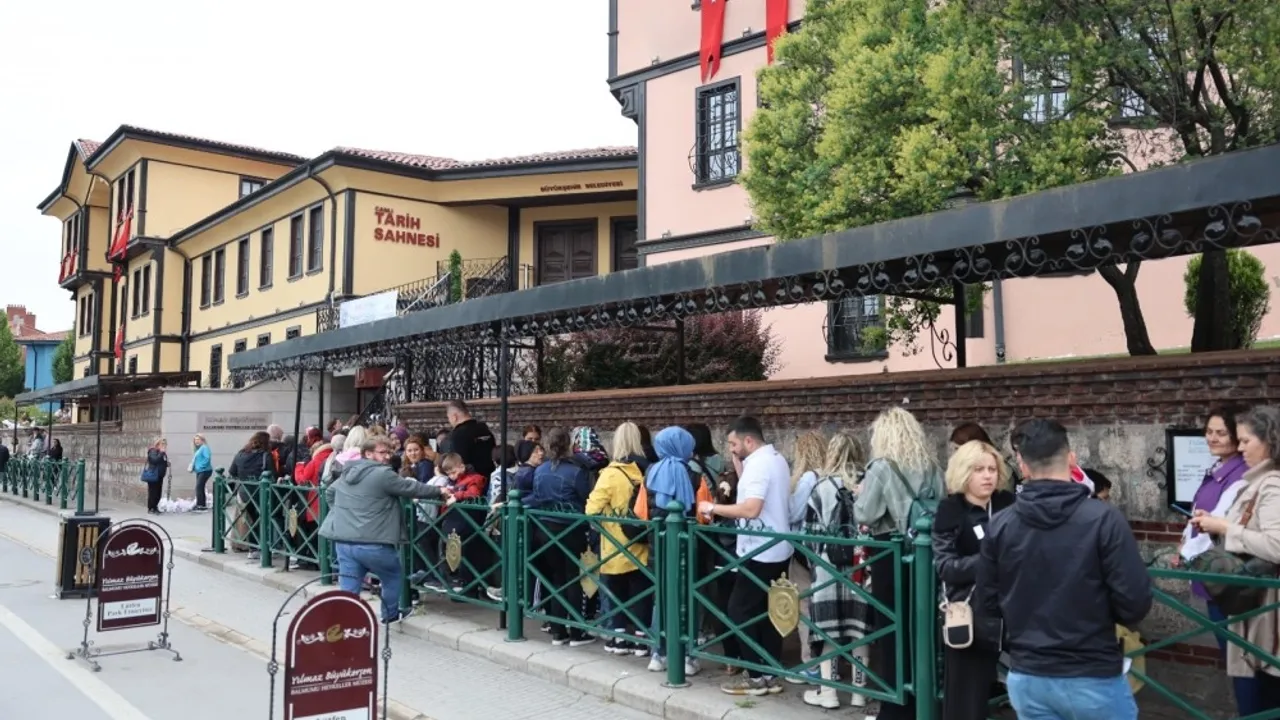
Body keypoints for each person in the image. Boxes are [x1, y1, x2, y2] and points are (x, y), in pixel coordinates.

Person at [978, 419, 1152, 720]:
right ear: (1071, 459)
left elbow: (987, 603)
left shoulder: (1001, 525)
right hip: (1092, 670)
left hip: (1029, 673)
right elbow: (1134, 602)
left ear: (1023, 466)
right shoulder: (1104, 520)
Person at [1190, 406, 1280, 711]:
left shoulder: (1273, 484)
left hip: (1265, 609)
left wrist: (1225, 528)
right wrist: (1218, 525)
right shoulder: (1259, 481)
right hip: (1257, 606)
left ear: (1269, 440)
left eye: (1245, 441)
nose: (1240, 448)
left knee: (1262, 692)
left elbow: (1276, 545)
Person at [699, 417, 794, 696]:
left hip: (759, 550)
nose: (730, 449)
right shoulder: (775, 459)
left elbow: (751, 509)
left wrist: (712, 508)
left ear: (748, 441)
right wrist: (740, 464)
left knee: (738, 611)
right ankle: (769, 673)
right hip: (778, 547)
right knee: (766, 612)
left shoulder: (759, 465)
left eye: (733, 444)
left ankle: (754, 676)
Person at [320, 435, 451, 624]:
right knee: (393, 576)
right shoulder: (383, 474)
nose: (388, 456)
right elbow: (409, 487)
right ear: (368, 453)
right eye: (383, 452)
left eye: (389, 452)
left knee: (349, 585)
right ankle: (390, 615)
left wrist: (346, 515)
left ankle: (345, 625)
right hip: (374, 541)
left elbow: (330, 493)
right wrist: (439, 490)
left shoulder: (348, 472)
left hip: (345, 541)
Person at [933, 440, 1016, 720]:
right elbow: (946, 567)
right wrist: (988, 561)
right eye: (979, 469)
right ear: (963, 472)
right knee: (966, 701)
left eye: (992, 469)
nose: (987, 476)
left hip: (1012, 611)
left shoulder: (1008, 504)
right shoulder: (951, 510)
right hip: (971, 615)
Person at [444, 400, 495, 477]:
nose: (449, 421)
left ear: (454, 417)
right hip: (491, 476)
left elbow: (457, 462)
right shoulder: (483, 428)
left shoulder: (458, 434)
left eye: (448, 418)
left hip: (471, 480)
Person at [143, 438, 170, 515]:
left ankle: (155, 507)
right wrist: (161, 453)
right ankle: (151, 508)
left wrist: (166, 464)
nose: (164, 446)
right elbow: (154, 460)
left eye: (165, 444)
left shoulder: (162, 453)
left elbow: (161, 461)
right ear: (158, 444)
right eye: (162, 444)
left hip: (160, 475)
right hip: (153, 475)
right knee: (153, 492)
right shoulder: (152, 451)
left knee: (158, 492)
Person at [192, 435, 213, 511]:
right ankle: (201, 504)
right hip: (200, 471)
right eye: (195, 440)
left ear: (202, 440)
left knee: (199, 487)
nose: (196, 441)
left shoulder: (204, 447)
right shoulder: (199, 449)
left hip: (205, 470)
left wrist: (201, 466)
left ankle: (200, 505)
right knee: (200, 487)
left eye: (198, 439)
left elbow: (207, 458)